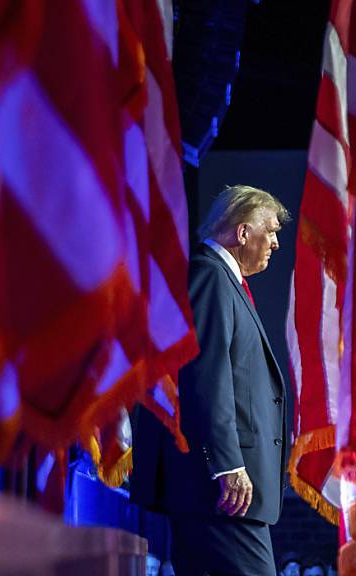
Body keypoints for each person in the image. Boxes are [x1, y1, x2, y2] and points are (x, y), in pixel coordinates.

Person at [132, 184, 291, 575]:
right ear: (242, 232)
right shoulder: (210, 276)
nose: (274, 243)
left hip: (218, 494)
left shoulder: (225, 282)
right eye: (270, 231)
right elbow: (204, 375)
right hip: (223, 493)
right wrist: (226, 465)